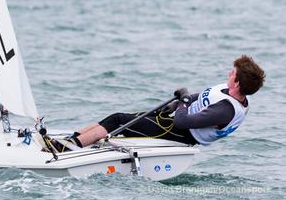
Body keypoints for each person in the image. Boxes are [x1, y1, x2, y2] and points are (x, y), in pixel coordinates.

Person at [45, 55, 265, 153]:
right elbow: (200, 97)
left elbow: (183, 121)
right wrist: (173, 106)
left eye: (232, 73)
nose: (228, 73)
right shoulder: (229, 91)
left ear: (236, 83)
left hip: (181, 135)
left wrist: (184, 101)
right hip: (175, 122)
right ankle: (73, 139)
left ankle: (67, 149)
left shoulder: (225, 110)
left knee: (119, 120)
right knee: (118, 117)